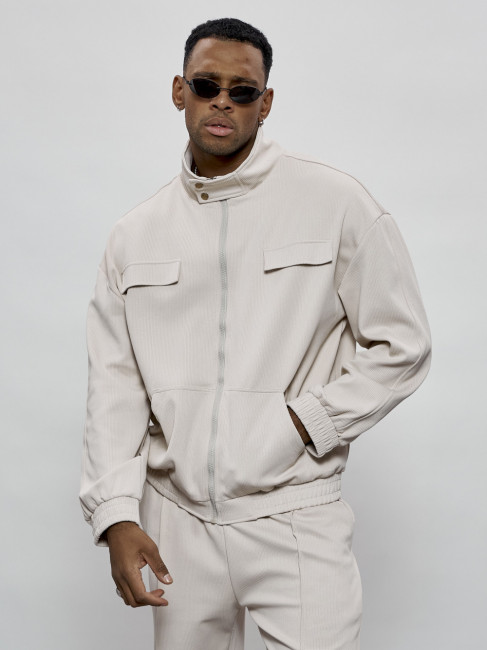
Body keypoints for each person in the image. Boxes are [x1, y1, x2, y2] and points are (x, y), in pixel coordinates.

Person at [80, 17, 432, 650]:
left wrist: (307, 422)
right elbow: (115, 388)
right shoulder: (135, 235)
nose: (223, 101)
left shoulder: (336, 203)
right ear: (179, 91)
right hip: (178, 520)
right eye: (206, 85)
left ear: (265, 104)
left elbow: (403, 344)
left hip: (295, 512)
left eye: (242, 92)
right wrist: (116, 516)